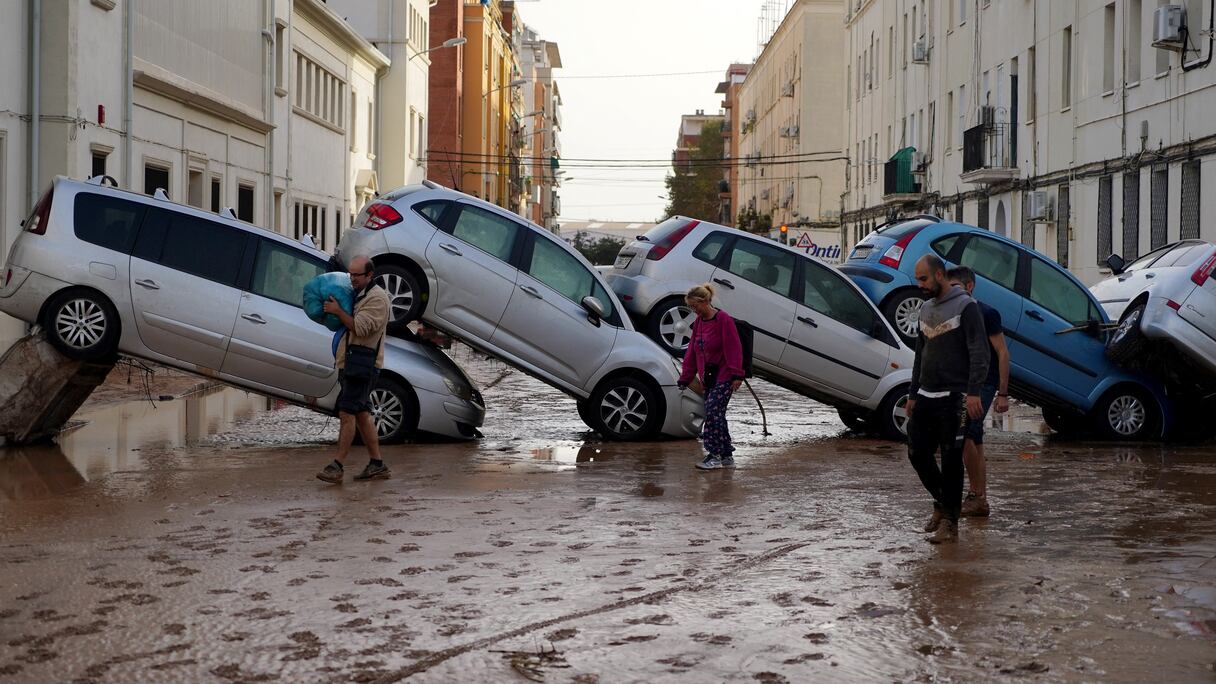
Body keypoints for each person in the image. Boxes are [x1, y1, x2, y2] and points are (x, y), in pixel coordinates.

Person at [906, 254, 990, 543]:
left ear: (939, 275)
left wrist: (974, 392)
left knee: (953, 459)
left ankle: (950, 524)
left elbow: (981, 352)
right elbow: (920, 354)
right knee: (917, 453)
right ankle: (944, 503)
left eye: (923, 279)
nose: (919, 285)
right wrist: (913, 393)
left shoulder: (967, 307)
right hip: (926, 395)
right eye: (918, 279)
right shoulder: (926, 308)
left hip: (956, 397)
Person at [316, 255, 392, 484]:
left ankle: (337, 466)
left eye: (356, 275)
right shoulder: (358, 294)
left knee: (347, 412)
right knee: (361, 414)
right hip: (351, 363)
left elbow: (360, 327)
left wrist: (338, 311)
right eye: (350, 274)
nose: (352, 279)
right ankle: (377, 464)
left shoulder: (378, 299)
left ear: (370, 275)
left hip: (363, 366)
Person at [947, 266, 1010, 518]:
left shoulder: (986, 313)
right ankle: (980, 499)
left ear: (969, 286)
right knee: (976, 441)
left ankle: (974, 495)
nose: (951, 293)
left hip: (983, 383)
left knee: (966, 438)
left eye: (956, 288)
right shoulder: (953, 312)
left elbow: (1003, 352)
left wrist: (1002, 393)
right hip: (963, 383)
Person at [676, 284, 745, 471]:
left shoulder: (723, 320)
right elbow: (692, 351)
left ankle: (713, 454)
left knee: (713, 413)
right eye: (691, 307)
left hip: (724, 376)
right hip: (708, 379)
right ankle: (726, 455)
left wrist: (737, 374)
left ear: (705, 301)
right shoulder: (699, 322)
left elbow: (733, 348)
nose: (693, 310)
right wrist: (686, 377)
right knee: (718, 415)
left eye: (695, 306)